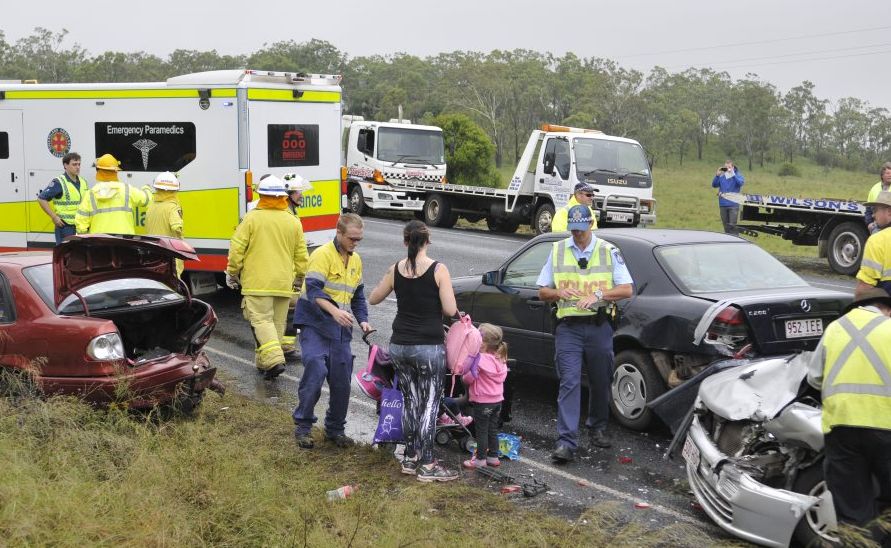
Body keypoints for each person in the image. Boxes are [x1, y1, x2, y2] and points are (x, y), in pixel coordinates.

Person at [537, 205, 634, 463]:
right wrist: (558, 293)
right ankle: (566, 442)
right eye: (574, 230)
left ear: (591, 225)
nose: (578, 235)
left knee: (601, 379)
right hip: (568, 327)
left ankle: (597, 426)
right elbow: (542, 291)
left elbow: (626, 289)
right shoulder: (558, 250)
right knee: (569, 381)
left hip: (599, 326)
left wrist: (599, 295)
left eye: (582, 230)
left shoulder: (608, 251)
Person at [368, 220, 460, 482]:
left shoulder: (395, 269)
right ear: (427, 240)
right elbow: (450, 310)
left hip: (399, 346)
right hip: (428, 347)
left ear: (405, 241)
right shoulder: (439, 270)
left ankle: (410, 457)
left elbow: (374, 298)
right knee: (430, 403)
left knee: (410, 401)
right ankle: (428, 464)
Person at [806, 287, 891, 539]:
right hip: (886, 428)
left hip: (841, 428)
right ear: (886, 308)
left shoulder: (834, 328)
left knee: (852, 508)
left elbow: (815, 377)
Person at [292, 213, 371, 449]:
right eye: (351, 239)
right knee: (315, 369)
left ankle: (335, 429)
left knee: (341, 382)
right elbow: (314, 291)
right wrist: (334, 312)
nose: (355, 243)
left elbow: (357, 296)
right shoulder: (321, 255)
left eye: (359, 240)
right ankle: (303, 428)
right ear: (338, 232)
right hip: (315, 325)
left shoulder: (356, 260)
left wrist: (363, 321)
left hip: (340, 331)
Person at [226, 175, 308, 380]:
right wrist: (300, 277)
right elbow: (302, 255)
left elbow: (237, 249)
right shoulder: (293, 221)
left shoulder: (251, 218)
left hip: (257, 282)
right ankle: (263, 363)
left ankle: (273, 361)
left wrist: (232, 272)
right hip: (283, 282)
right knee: (276, 325)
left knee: (261, 322)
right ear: (283, 196)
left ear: (260, 194)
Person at [460, 323, 508, 470]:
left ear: (483, 344)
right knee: (492, 429)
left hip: (483, 402)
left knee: (481, 431)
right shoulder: (501, 358)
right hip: (497, 401)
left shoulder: (479, 360)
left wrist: (465, 377)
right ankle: (493, 457)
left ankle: (480, 460)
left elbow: (469, 379)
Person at [74, 154, 153, 235]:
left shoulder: (90, 194)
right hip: (124, 242)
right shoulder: (127, 190)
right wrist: (147, 188)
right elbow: (147, 200)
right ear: (116, 171)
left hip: (99, 242)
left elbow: (81, 224)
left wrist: (86, 238)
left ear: (98, 171)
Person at [281, 173, 312, 356]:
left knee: (290, 310)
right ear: (288, 194)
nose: (301, 195)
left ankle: (286, 346)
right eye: (298, 192)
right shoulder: (288, 216)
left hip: (289, 269)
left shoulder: (291, 212)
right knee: (289, 310)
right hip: (289, 271)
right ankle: (283, 347)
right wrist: (301, 274)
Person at [37, 152, 89, 244]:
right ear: (65, 165)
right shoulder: (59, 182)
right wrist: (54, 217)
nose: (77, 167)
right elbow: (41, 199)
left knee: (79, 255)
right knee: (65, 255)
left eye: (79, 164)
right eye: (74, 164)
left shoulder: (83, 182)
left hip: (81, 226)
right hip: (65, 227)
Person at [145, 171, 185, 277]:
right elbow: (176, 228)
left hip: (153, 254)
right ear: (174, 190)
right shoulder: (173, 207)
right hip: (169, 257)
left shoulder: (151, 206)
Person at [856, 191, 891, 298]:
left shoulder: (878, 240)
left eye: (875, 210)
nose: (873, 215)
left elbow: (865, 289)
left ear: (889, 211)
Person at [711, 160, 745, 236]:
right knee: (726, 227)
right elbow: (714, 185)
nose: (727, 169)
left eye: (729, 167)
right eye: (725, 167)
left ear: (733, 167)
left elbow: (740, 183)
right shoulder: (722, 176)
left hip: (733, 205)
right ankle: (728, 243)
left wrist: (733, 174)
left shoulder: (738, 175)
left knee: (732, 226)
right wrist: (717, 175)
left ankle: (735, 242)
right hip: (723, 204)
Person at [865, 162, 891, 234]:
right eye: (888, 173)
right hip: (877, 227)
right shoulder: (874, 188)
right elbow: (868, 209)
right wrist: (869, 223)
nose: (890, 175)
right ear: (882, 175)